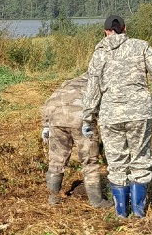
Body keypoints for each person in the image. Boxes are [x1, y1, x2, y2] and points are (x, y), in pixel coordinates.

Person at [81, 15, 152, 219]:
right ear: (125, 28)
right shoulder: (141, 46)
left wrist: (87, 117)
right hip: (139, 113)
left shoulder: (99, 53)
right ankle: (139, 213)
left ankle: (121, 213)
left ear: (105, 31)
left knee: (117, 162)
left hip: (111, 115)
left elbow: (92, 89)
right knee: (140, 160)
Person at [41, 75, 112, 208]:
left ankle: (53, 198)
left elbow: (49, 102)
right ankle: (96, 201)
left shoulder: (68, 82)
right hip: (81, 120)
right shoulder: (99, 83)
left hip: (55, 119)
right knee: (89, 161)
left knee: (56, 161)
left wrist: (45, 125)